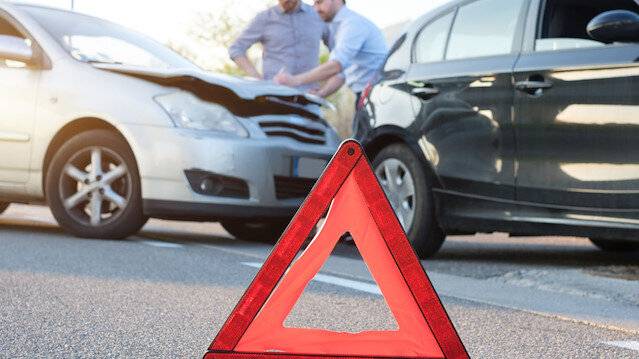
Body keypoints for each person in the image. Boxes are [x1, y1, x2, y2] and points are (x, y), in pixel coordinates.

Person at [274, 0, 388, 102]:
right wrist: (321, 94)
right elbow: (341, 74)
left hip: (379, 94)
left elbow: (336, 66)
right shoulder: (339, 27)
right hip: (366, 94)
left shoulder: (352, 24)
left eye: (319, 2)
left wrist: (294, 80)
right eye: (314, 3)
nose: (315, 8)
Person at [228, 0, 327, 91]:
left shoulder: (318, 15)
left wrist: (324, 87)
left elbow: (338, 54)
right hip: (274, 95)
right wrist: (257, 79)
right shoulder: (264, 18)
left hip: (310, 97)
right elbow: (236, 49)